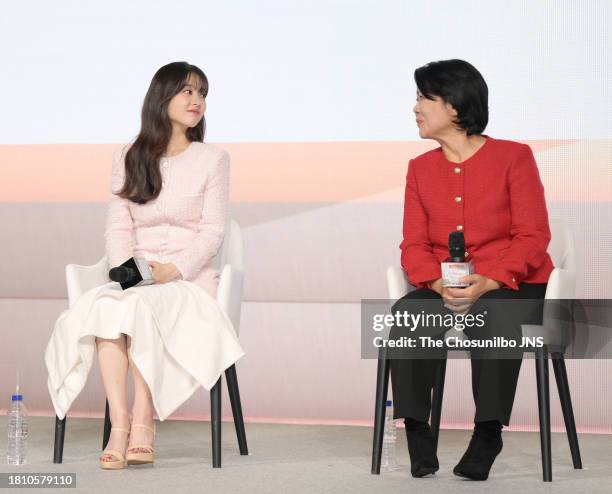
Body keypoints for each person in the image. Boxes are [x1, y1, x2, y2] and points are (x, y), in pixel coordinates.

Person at [44, 61, 245, 470]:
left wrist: (173, 270)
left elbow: (212, 233)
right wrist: (131, 274)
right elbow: (117, 229)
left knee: (134, 309)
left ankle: (142, 423)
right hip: (135, 279)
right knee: (107, 307)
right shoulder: (128, 156)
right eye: (187, 91)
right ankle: (122, 425)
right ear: (162, 97)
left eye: (202, 93)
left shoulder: (213, 159)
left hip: (188, 282)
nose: (197, 101)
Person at [388, 59, 553, 481]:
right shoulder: (419, 169)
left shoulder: (514, 157)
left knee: (494, 312)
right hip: (447, 285)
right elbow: (414, 244)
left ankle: (487, 432)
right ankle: (417, 430)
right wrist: (438, 282)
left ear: (456, 106)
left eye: (424, 98)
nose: (415, 108)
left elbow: (533, 236)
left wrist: (491, 279)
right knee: (408, 315)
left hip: (510, 284)